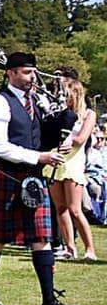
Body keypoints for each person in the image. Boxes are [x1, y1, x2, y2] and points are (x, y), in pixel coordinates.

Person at [0, 52, 81, 305]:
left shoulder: (35, 102)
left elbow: (39, 135)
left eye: (33, 72)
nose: (32, 77)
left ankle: (49, 301)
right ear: (10, 73)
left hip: (33, 180)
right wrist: (40, 157)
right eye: (26, 72)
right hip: (6, 178)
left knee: (42, 239)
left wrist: (62, 137)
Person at [47, 79, 97, 261]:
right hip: (56, 160)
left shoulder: (89, 114)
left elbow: (82, 138)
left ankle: (90, 248)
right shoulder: (61, 113)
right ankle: (69, 247)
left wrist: (68, 139)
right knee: (60, 208)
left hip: (73, 163)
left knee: (75, 209)